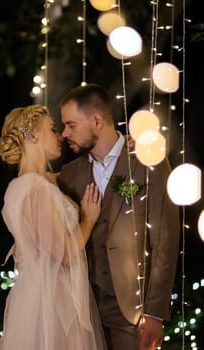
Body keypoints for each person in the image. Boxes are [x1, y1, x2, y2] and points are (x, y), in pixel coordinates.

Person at [57, 83, 180, 350]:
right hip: (82, 311)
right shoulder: (70, 174)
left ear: (97, 120)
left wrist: (155, 312)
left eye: (71, 125)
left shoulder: (149, 161)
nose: (64, 133)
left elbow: (164, 240)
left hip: (132, 313)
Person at [0, 104, 107, 350]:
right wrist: (87, 220)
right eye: (53, 129)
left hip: (36, 297)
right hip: (52, 303)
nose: (60, 136)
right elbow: (65, 253)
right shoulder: (36, 189)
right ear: (32, 135)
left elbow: (65, 174)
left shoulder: (22, 186)